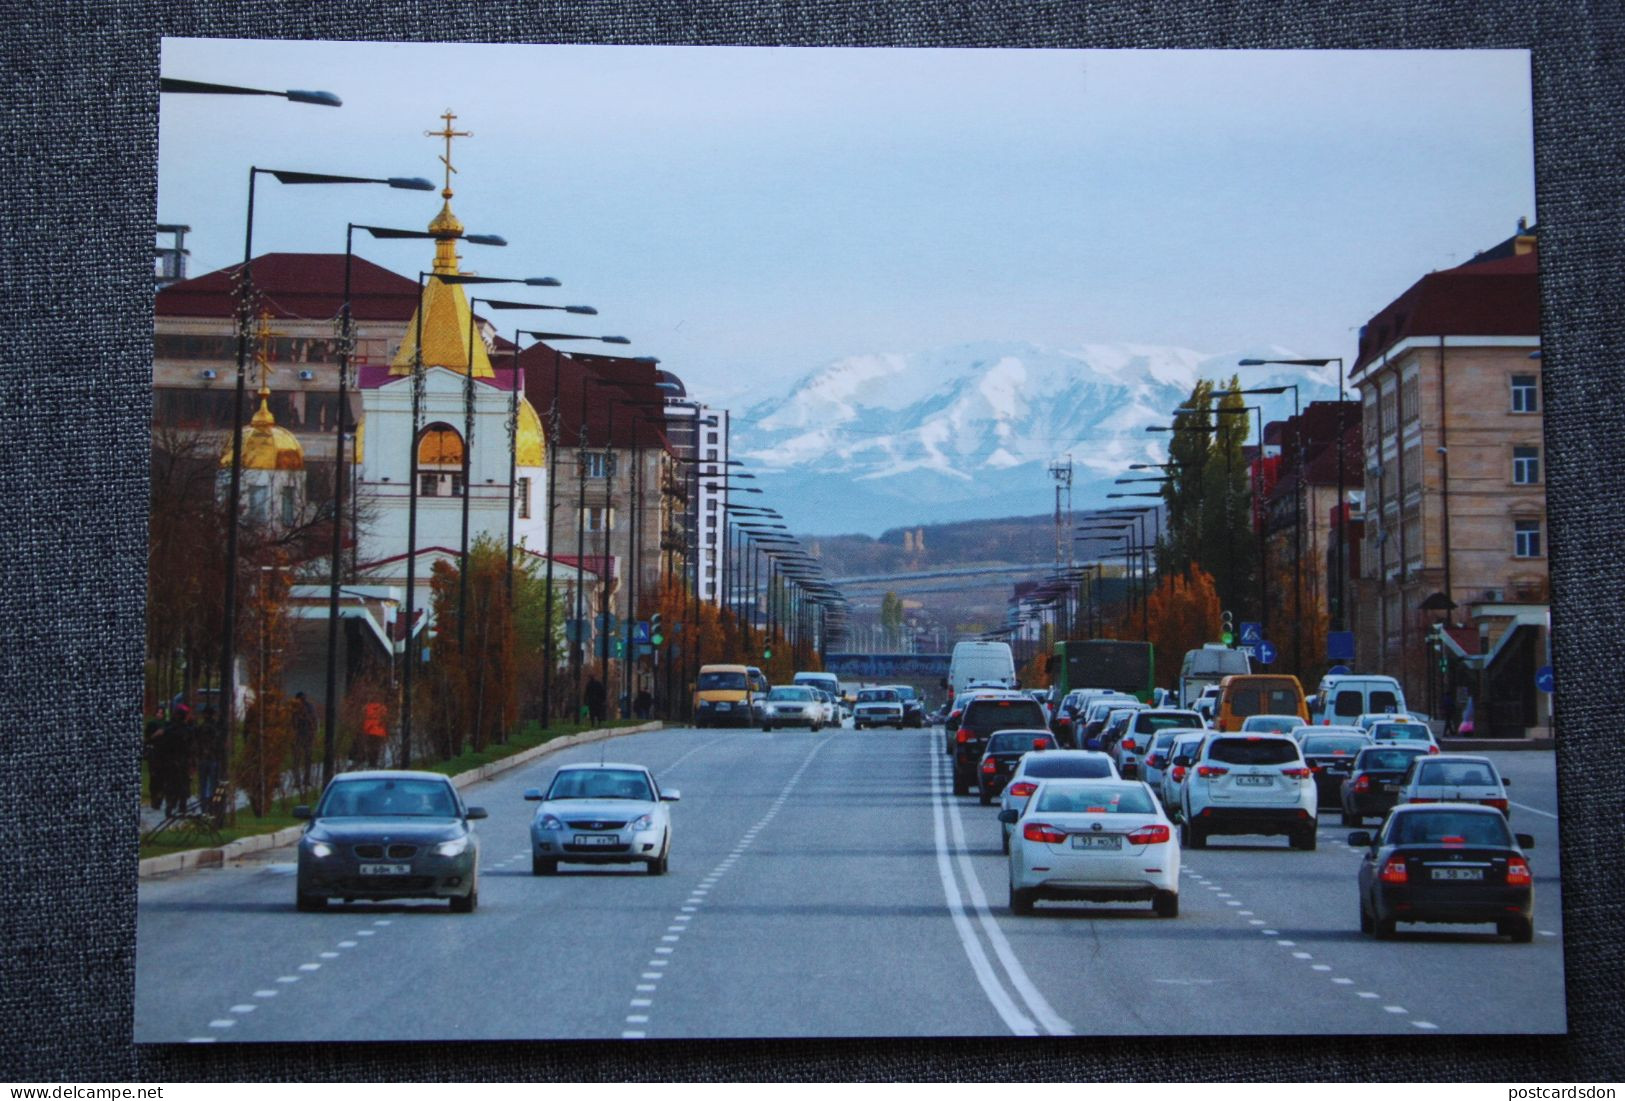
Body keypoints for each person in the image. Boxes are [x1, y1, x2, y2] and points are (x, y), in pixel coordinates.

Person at [159, 705, 195, 817]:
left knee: (171, 784)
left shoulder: (169, 730)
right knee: (183, 784)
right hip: (182, 761)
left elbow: (163, 747)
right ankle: (182, 807)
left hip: (170, 761)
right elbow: (191, 748)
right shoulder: (188, 731)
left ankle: (170, 806)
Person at [195, 705, 225, 805]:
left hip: (203, 758)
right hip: (213, 758)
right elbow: (219, 743)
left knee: (203, 784)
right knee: (213, 783)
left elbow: (197, 743)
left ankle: (204, 804)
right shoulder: (216, 728)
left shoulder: (201, 728)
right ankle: (212, 803)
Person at [291, 690, 318, 791]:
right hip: (302, 735)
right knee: (302, 759)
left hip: (303, 735)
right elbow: (314, 721)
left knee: (302, 759)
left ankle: (302, 780)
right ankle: (302, 780)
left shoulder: (305, 708)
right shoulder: (307, 707)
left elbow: (313, 721)